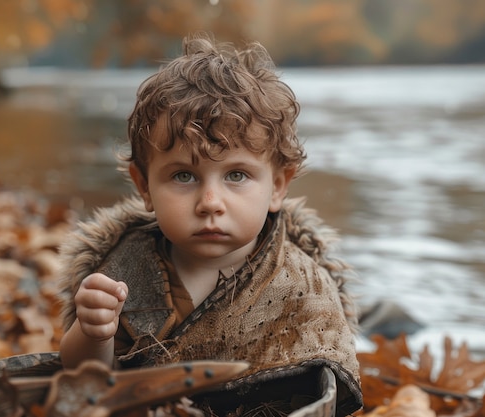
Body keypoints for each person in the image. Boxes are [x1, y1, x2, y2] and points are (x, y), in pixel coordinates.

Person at [57, 33, 362, 416]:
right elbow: (85, 375)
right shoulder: (126, 270)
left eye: (236, 176)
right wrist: (92, 331)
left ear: (277, 186)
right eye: (183, 177)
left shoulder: (304, 286)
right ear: (144, 187)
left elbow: (327, 392)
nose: (210, 203)